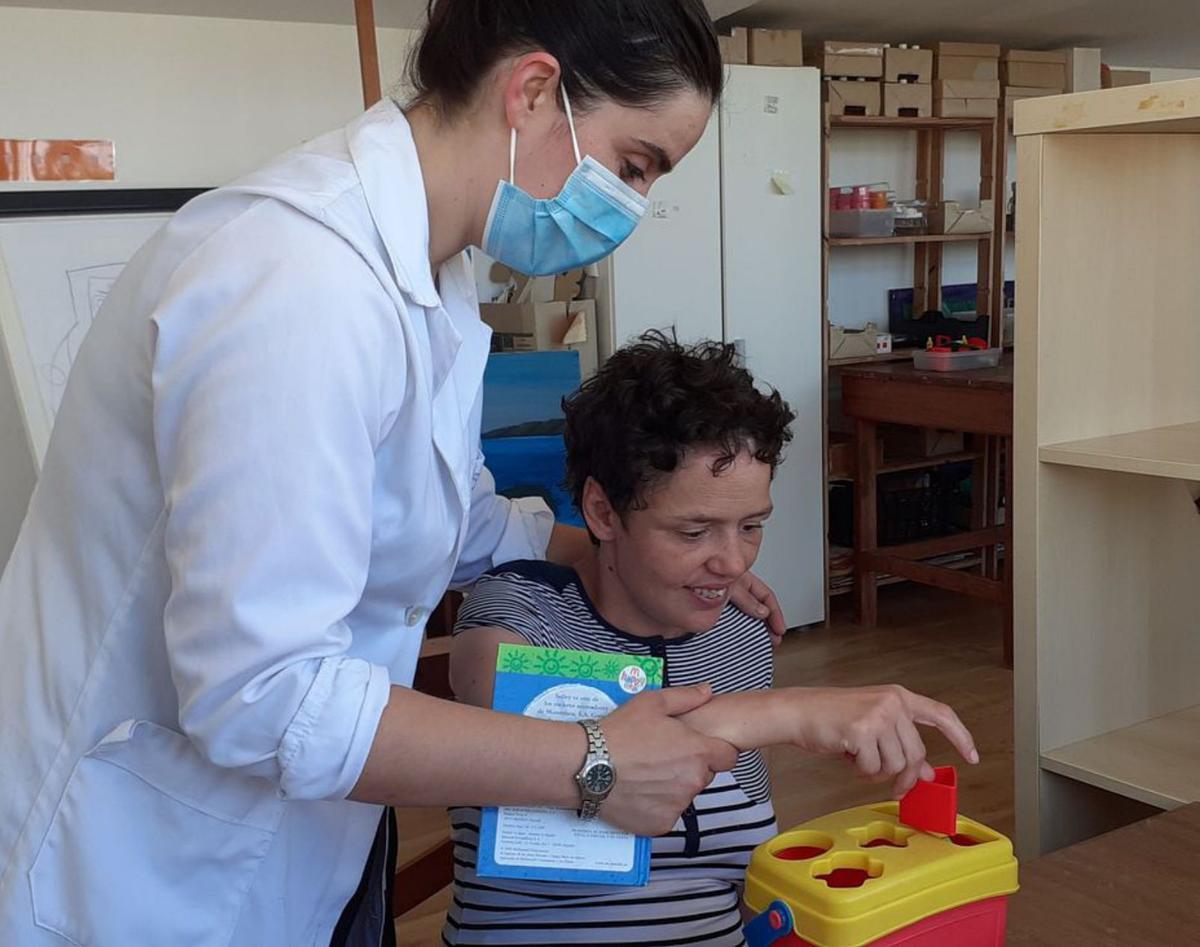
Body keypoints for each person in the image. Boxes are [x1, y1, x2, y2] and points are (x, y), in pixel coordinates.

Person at [0, 4, 790, 946]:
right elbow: (266, 695)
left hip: (306, 835)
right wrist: (589, 758)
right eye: (631, 166)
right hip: (144, 868)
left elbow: (448, 520)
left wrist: (649, 552)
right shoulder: (300, 281)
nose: (627, 206)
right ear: (534, 92)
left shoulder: (432, 274)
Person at [442, 334, 979, 945]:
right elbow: (539, 730)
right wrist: (794, 712)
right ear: (603, 512)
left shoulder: (737, 637)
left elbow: (741, 862)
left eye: (751, 526)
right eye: (694, 532)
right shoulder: (521, 609)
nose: (731, 563)